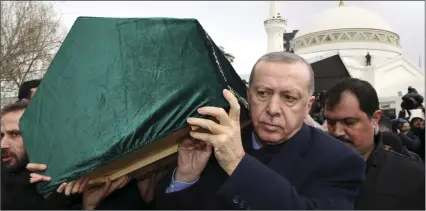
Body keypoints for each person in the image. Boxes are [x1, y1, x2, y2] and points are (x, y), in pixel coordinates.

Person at [155, 52, 366, 209]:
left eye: (289, 98)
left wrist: (237, 163)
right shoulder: (209, 146)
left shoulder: (340, 160)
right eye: (263, 93)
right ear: (248, 96)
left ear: (308, 106)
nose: (273, 109)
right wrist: (185, 179)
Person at [323, 78, 425, 210]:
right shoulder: (308, 171)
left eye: (349, 122)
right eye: (330, 122)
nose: (337, 132)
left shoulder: (412, 178)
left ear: (375, 118)